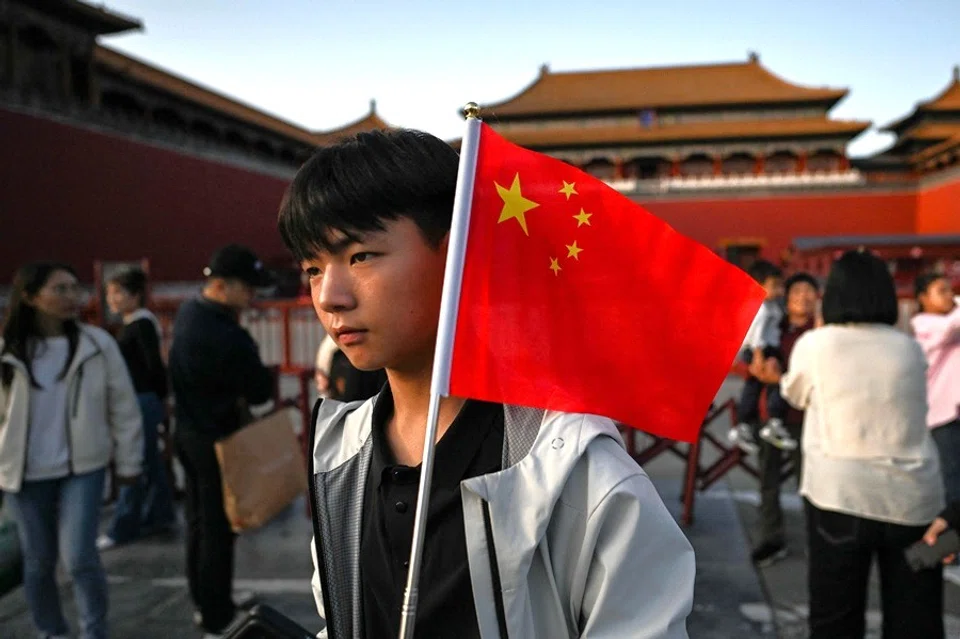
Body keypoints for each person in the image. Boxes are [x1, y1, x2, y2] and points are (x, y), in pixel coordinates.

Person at [278, 129, 695, 638]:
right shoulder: (341, 456)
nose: (329, 297)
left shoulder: (575, 474)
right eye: (312, 268)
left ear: (458, 259)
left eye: (360, 256)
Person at [781, 250, 945, 639]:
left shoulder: (817, 344)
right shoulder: (908, 347)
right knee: (915, 621)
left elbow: (794, 394)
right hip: (915, 501)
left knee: (835, 618)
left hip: (839, 498)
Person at [0, 262, 143, 639]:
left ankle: (94, 632)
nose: (71, 297)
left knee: (81, 559)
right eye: (59, 289)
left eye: (73, 288)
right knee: (37, 563)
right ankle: (52, 632)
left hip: (82, 469)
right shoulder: (8, 352)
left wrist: (130, 461)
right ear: (30, 297)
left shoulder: (97, 344)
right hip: (24, 475)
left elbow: (123, 407)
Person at [167, 245, 275, 638]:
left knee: (198, 524)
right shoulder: (224, 334)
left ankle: (207, 601)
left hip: (189, 432)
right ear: (221, 285)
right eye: (247, 288)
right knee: (216, 529)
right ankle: (217, 616)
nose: (253, 296)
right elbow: (260, 390)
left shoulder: (189, 313)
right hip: (216, 441)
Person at [97, 267, 177, 551]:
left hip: (141, 401)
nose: (111, 299)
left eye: (117, 293)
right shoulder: (136, 323)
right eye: (110, 293)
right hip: (143, 400)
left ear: (134, 295)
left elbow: (153, 366)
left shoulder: (141, 324)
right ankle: (161, 515)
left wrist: (162, 398)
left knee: (134, 462)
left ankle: (124, 526)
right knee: (149, 462)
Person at [746, 272, 819, 566]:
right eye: (797, 291)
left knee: (811, 482)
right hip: (772, 417)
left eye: (809, 291)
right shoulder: (773, 329)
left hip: (808, 416)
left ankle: (819, 541)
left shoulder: (821, 333)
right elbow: (750, 360)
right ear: (786, 300)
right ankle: (771, 539)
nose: (803, 297)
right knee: (768, 480)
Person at [729, 260, 787, 454]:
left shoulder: (769, 306)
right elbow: (756, 335)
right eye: (775, 286)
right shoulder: (761, 308)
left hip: (763, 349)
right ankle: (770, 421)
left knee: (755, 388)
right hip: (761, 350)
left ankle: (746, 425)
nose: (780, 290)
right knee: (769, 384)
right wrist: (758, 356)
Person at [912, 272, 960, 505]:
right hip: (943, 416)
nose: (949, 296)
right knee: (952, 480)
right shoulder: (923, 325)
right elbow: (950, 328)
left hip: (955, 410)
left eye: (950, 290)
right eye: (941, 291)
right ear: (923, 298)